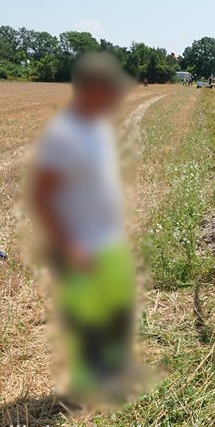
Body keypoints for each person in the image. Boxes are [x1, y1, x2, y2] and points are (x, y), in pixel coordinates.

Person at [32, 51, 137, 405]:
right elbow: (42, 197)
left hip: (108, 240)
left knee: (115, 308)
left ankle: (109, 372)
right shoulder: (63, 135)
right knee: (83, 317)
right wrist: (69, 244)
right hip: (80, 244)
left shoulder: (98, 127)